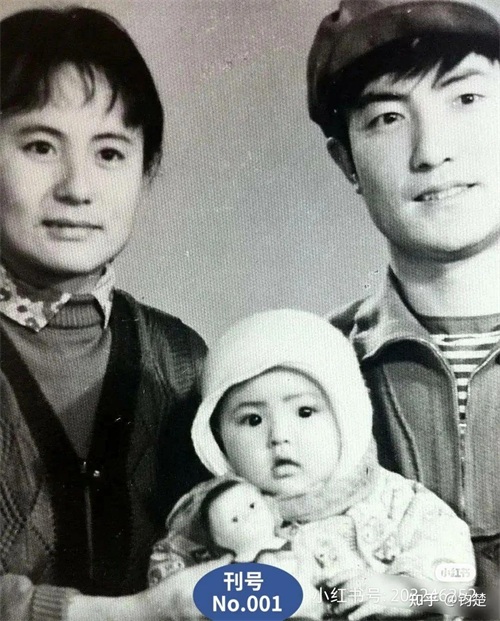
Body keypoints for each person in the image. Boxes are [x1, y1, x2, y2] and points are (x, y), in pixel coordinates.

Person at [0, 7, 218, 620]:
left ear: (146, 171)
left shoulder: (182, 360)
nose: (77, 187)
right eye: (40, 146)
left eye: (110, 153)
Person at [306, 0, 500, 612]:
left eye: (466, 98)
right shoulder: (307, 373)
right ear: (346, 161)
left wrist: (451, 595)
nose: (431, 151)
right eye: (388, 117)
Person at [149, 309, 475, 620]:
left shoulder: (396, 501)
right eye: (252, 419)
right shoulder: (208, 519)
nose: (279, 436)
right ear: (218, 437)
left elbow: (453, 565)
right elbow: (171, 594)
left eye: (305, 412)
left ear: (346, 417)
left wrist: (404, 591)